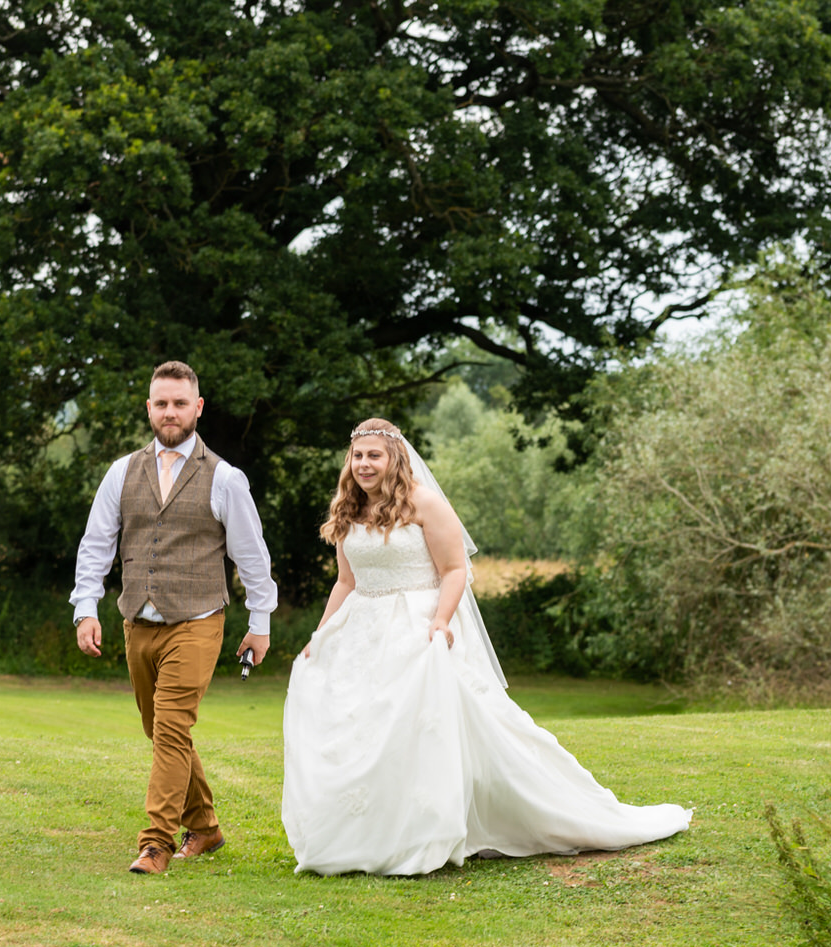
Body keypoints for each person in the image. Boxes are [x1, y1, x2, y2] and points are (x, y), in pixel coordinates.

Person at [281, 418, 691, 876]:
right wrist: (322, 634)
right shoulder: (349, 509)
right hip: (364, 629)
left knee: (422, 726)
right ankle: (368, 831)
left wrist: (439, 620)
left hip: (416, 626)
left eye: (374, 455)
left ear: (395, 457)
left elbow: (455, 569)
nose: (364, 464)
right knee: (365, 730)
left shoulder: (424, 503)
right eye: (357, 456)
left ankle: (431, 830)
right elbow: (346, 582)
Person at [71, 361, 277, 875]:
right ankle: (204, 827)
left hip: (198, 619)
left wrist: (261, 621)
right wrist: (84, 609)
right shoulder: (121, 471)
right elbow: (96, 544)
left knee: (170, 727)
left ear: (198, 408)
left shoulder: (225, 477)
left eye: (180, 403)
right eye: (161, 403)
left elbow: (252, 557)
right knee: (160, 728)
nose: (170, 412)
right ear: (148, 407)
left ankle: (155, 843)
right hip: (136, 620)